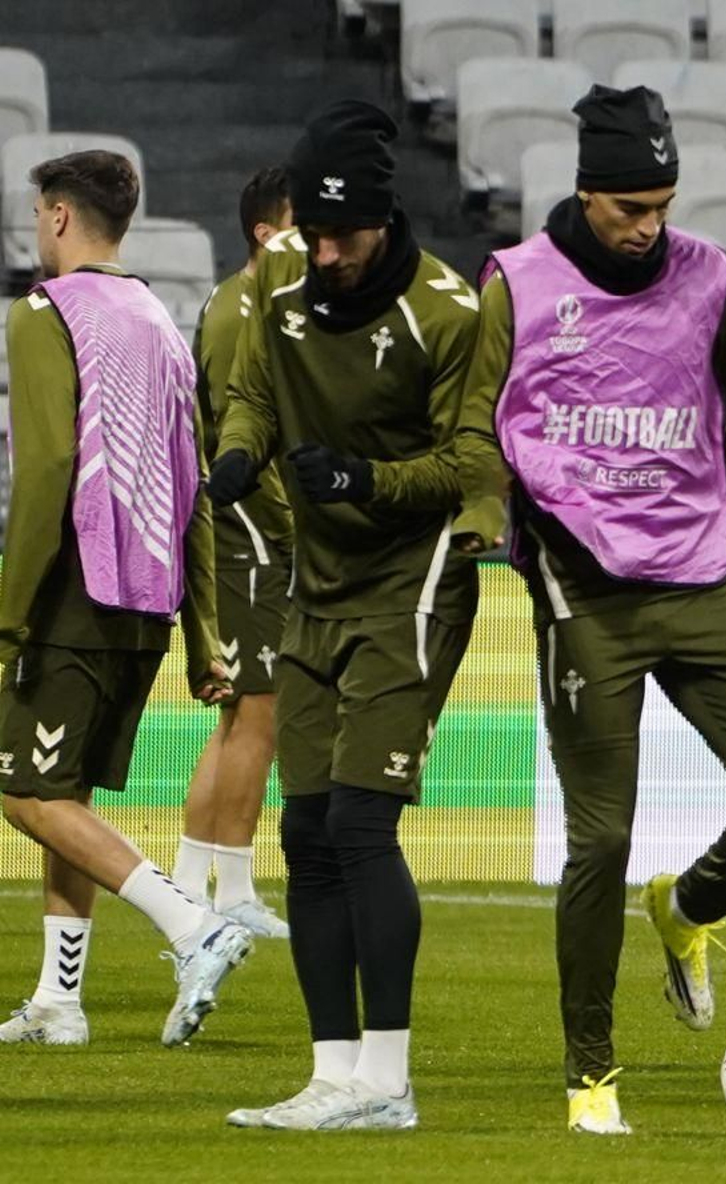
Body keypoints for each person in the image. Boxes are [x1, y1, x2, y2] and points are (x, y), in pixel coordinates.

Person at [456, 84, 726, 1136]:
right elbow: (473, 424)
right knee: (599, 838)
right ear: (586, 191)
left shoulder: (706, 273)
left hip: (696, 574)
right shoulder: (517, 282)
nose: (648, 227)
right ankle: (591, 1071)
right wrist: (476, 518)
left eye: (662, 204)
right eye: (628, 208)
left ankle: (685, 909)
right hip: (582, 590)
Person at [210, 101, 492, 1131]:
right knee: (305, 827)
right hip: (313, 585)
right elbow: (251, 393)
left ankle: (391, 1078)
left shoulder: (448, 312)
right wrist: (238, 451)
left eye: (344, 236)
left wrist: (366, 477)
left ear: (384, 218)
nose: (325, 253)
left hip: (409, 587)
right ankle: (333, 1073)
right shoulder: (279, 289)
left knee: (363, 824)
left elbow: (473, 461)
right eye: (314, 235)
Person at [0, 149, 251, 1050]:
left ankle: (193, 923)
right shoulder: (158, 318)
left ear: (57, 216)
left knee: (24, 793)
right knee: (61, 791)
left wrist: (8, 614)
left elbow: (50, 470)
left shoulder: (43, 314)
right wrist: (204, 631)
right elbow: (191, 485)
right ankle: (59, 1002)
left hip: (73, 588)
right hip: (147, 595)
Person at [170, 166, 296, 938]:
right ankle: (234, 889)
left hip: (252, 530)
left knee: (242, 719)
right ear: (264, 231)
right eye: (299, 224)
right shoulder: (237, 311)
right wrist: (294, 529)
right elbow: (234, 442)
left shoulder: (258, 304)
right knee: (260, 712)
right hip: (250, 531)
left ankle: (190, 883)